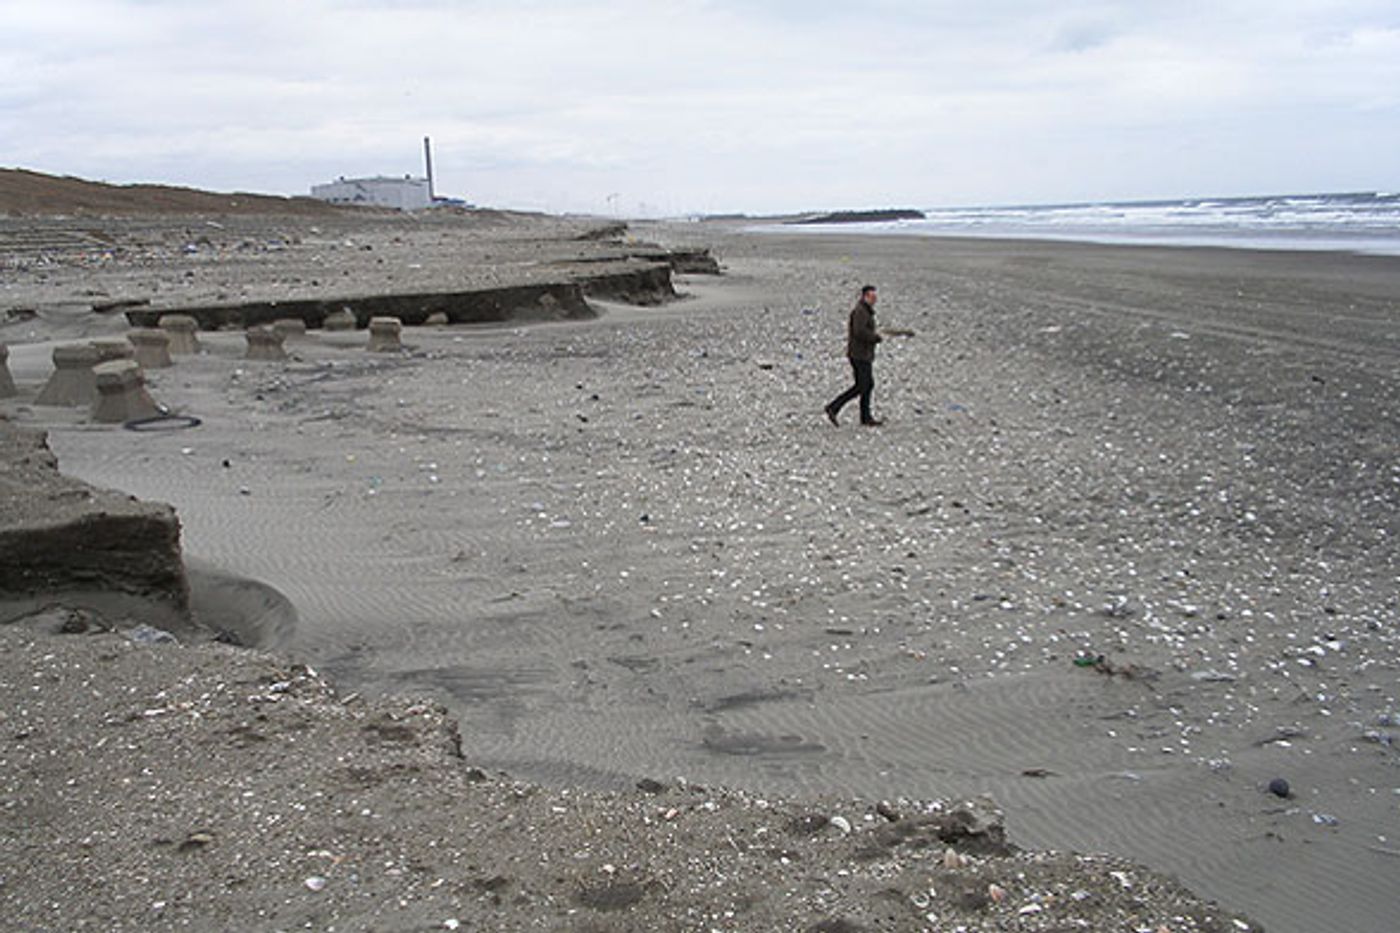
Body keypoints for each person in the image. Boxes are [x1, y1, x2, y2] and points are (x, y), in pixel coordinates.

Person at [825, 284, 884, 427]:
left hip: (863, 354)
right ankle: (834, 407)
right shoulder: (860, 311)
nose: (874, 299)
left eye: (875, 297)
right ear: (864, 296)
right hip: (859, 354)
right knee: (863, 385)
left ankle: (865, 417)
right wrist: (875, 337)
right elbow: (859, 331)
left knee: (866, 385)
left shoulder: (866, 311)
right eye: (871, 296)